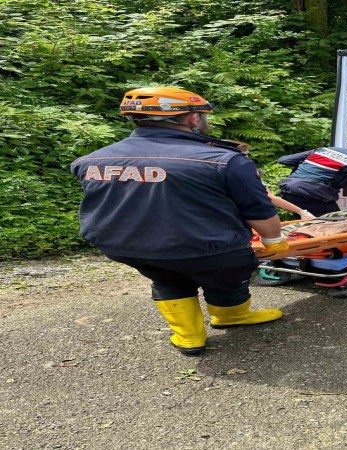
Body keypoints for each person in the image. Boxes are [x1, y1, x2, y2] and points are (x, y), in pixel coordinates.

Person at [71, 87, 290, 356]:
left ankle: (189, 336)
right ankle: (231, 316)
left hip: (129, 248)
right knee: (226, 276)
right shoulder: (223, 160)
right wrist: (273, 240)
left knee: (166, 277)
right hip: (210, 249)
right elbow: (258, 210)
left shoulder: (91, 160)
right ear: (192, 118)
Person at [222, 140, 315, 220]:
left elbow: (270, 197)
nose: (247, 158)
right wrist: (301, 212)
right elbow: (270, 198)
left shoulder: (219, 167)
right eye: (245, 155)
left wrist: (301, 211)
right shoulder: (245, 171)